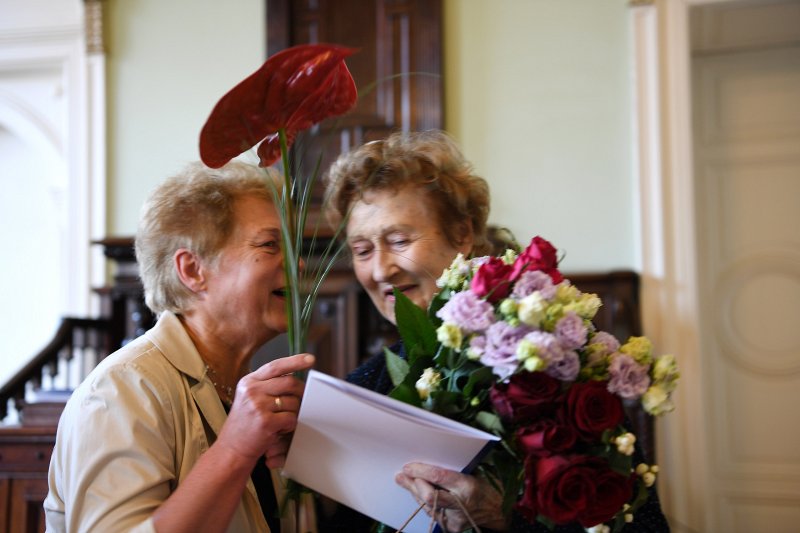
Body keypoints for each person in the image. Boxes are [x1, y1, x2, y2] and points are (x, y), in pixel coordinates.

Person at [321, 130, 670, 532]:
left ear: (463, 235)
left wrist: (505, 519)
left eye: (399, 240)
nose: (380, 270)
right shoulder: (366, 387)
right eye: (362, 250)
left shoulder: (553, 368)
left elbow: (645, 526)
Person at [44, 161, 316, 532]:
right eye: (270, 244)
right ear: (192, 270)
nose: (298, 264)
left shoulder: (248, 392)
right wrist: (235, 450)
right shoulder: (121, 390)